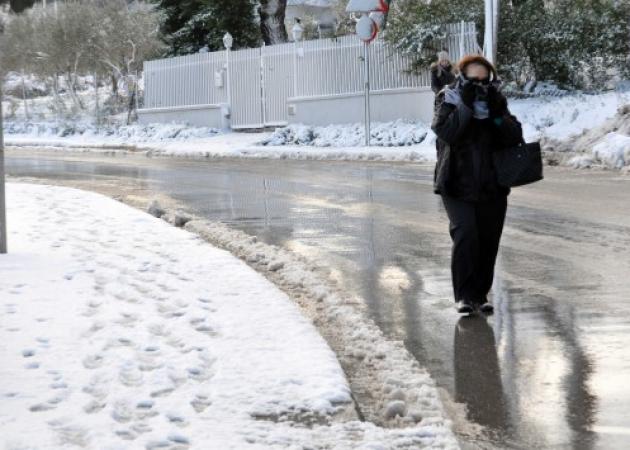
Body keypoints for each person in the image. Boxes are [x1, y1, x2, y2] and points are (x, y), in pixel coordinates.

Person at [431, 55, 523, 314]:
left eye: (485, 80)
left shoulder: (497, 100)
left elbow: (514, 136)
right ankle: (463, 296)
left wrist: (495, 114)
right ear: (461, 77)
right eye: (473, 80)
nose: (480, 85)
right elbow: (447, 132)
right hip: (456, 182)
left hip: (492, 183)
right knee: (466, 234)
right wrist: (466, 107)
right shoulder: (447, 98)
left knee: (488, 240)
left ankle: (480, 295)